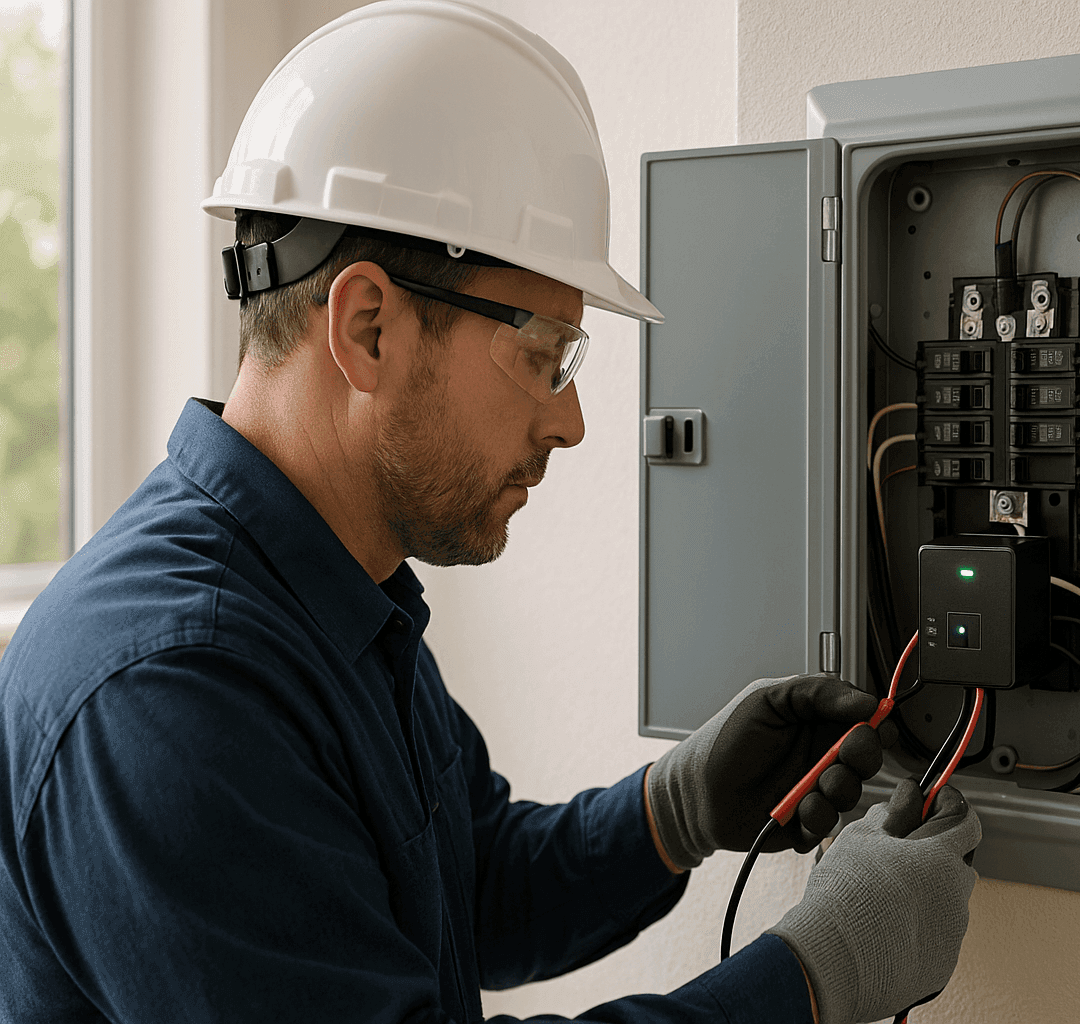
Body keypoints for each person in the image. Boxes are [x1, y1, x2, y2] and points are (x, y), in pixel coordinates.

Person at [0, 4, 981, 1023]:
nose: (573, 421)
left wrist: (673, 811)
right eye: (542, 356)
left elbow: (464, 888)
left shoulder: (331, 590)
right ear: (369, 326)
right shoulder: (169, 690)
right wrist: (813, 976)